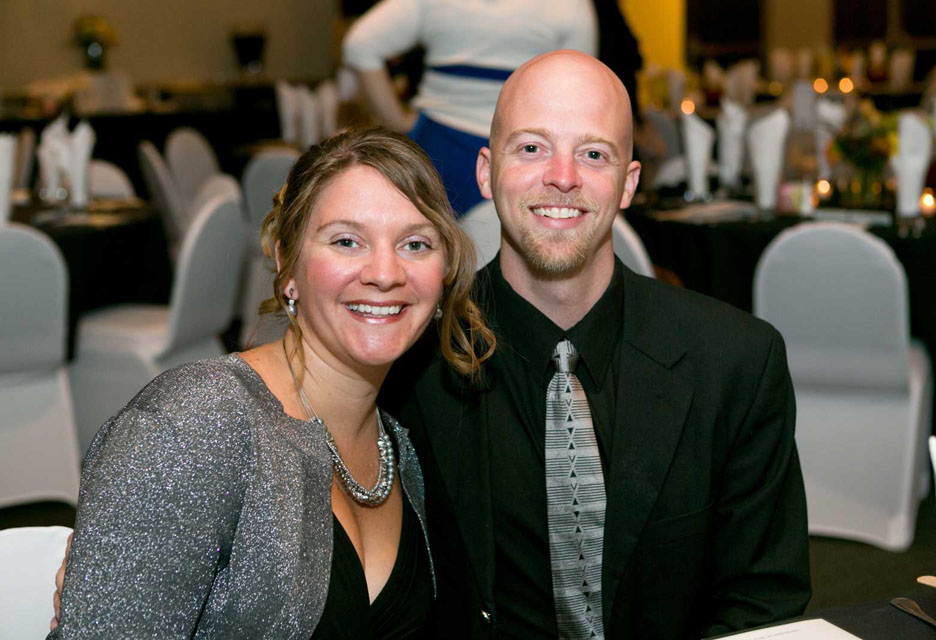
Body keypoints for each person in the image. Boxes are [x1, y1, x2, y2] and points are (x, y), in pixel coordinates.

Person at [381, 50, 811, 638]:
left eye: (593, 153)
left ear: (629, 183)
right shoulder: (409, 361)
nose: (563, 175)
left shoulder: (736, 363)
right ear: (486, 172)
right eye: (531, 147)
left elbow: (762, 605)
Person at [47, 127, 494, 639]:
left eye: (415, 244)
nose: (385, 272)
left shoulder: (404, 443)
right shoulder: (195, 425)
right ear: (288, 267)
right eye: (347, 241)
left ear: (443, 273)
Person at [341, 0, 597, 216]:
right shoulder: (569, 5)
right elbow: (578, 88)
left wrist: (397, 122)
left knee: (433, 260)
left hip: (437, 147)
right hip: (526, 154)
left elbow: (360, 45)